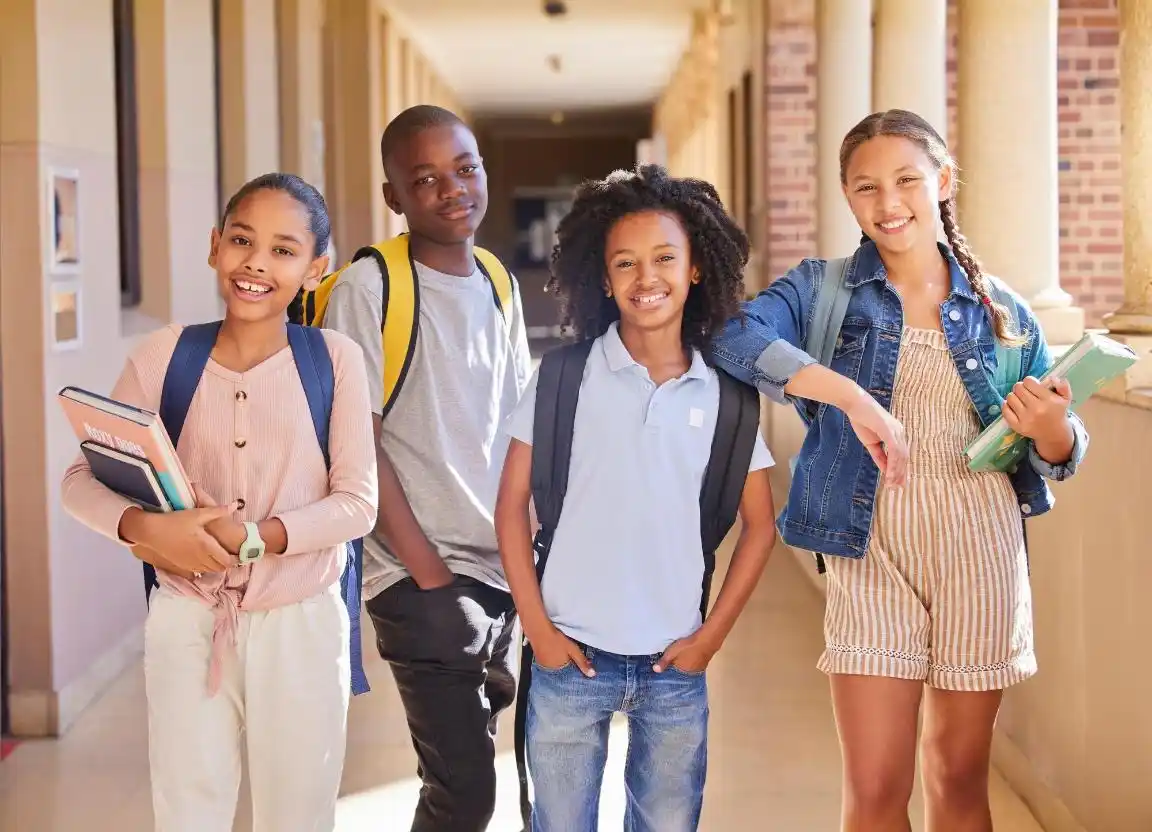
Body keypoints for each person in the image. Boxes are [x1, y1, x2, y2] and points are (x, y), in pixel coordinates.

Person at [494, 164, 906, 832]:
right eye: (624, 263)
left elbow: (758, 526)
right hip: (568, 656)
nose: (644, 277)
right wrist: (537, 629)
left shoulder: (726, 394)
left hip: (673, 666)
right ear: (602, 279)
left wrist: (711, 638)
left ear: (694, 270)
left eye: (663, 258)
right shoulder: (565, 377)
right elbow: (511, 507)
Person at [712, 109, 1090, 832]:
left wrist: (1051, 430)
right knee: (877, 788)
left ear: (941, 182)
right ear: (848, 198)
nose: (888, 204)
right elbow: (733, 336)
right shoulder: (821, 290)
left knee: (957, 779)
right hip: (870, 551)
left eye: (906, 181)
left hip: (981, 551)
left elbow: (1062, 450)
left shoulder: (1002, 311)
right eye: (866, 188)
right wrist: (846, 394)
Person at [60, 172, 378, 831]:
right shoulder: (164, 356)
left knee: (298, 814)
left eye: (284, 250)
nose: (256, 263)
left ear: (317, 268)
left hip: (302, 624)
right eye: (242, 240)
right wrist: (145, 528)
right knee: (187, 810)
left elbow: (357, 504)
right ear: (214, 247)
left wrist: (258, 538)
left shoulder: (336, 360)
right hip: (187, 617)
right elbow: (78, 481)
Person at [320, 105, 532, 831]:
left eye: (465, 168)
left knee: (456, 784)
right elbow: (356, 443)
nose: (452, 189)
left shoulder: (499, 281)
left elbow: (516, 426)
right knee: (466, 794)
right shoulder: (368, 291)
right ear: (395, 199)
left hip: (502, 572)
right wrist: (431, 579)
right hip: (420, 579)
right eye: (426, 178)